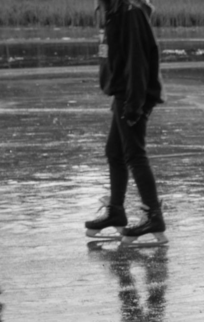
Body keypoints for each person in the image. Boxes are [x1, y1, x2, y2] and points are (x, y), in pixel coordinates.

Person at [84, 0, 167, 246]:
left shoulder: (130, 12)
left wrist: (134, 104)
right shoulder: (112, 10)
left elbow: (138, 59)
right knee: (114, 152)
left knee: (134, 154)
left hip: (134, 95)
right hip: (124, 92)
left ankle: (154, 216)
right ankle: (116, 210)